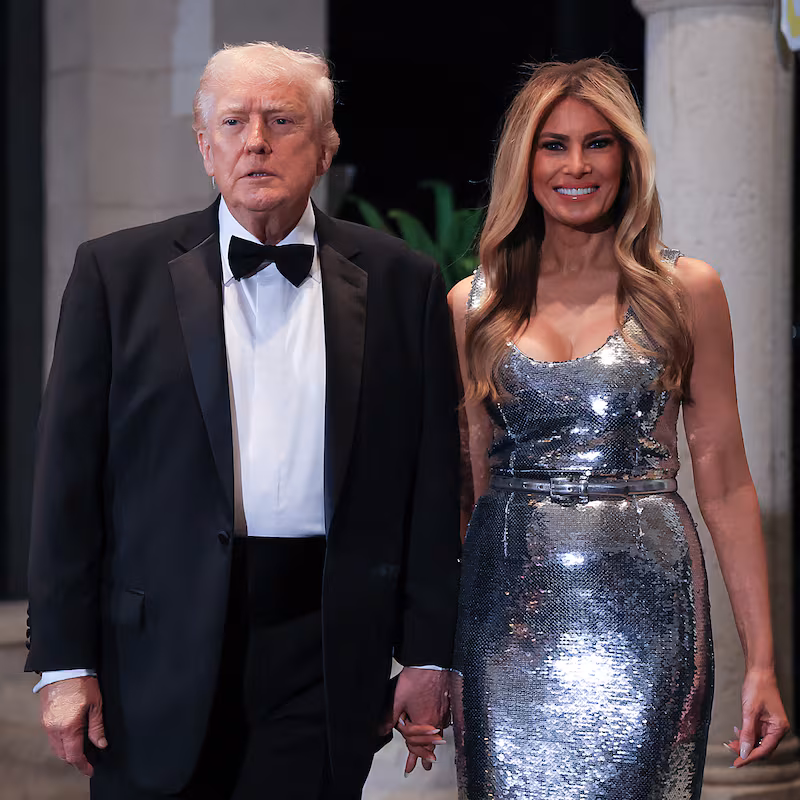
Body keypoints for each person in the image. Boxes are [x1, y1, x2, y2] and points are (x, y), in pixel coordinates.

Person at [25, 41, 461, 800]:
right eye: (233, 122)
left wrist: (428, 653)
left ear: (325, 148)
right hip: (152, 649)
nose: (255, 140)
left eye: (282, 120)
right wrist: (65, 663)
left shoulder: (403, 282)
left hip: (322, 645)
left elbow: (430, 481)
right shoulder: (115, 274)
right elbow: (66, 482)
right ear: (205, 146)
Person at [401, 59, 789, 797]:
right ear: (525, 160)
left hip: (649, 619)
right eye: (553, 144)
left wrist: (763, 664)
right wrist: (438, 659)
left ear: (627, 158)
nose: (576, 165)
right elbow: (465, 495)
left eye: (598, 143)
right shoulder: (470, 306)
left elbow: (728, 483)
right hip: (504, 624)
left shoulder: (687, 292)